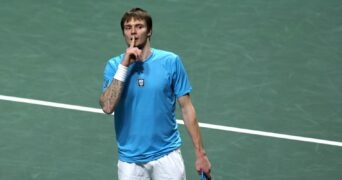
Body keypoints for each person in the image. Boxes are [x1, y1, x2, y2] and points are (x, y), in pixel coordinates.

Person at [99, 7, 211, 180]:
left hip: (167, 156)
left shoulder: (170, 62)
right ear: (123, 33)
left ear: (149, 31)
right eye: (128, 28)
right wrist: (124, 65)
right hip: (130, 161)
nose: (133, 32)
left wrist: (201, 154)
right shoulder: (114, 66)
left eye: (139, 26)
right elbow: (107, 106)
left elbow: (187, 109)